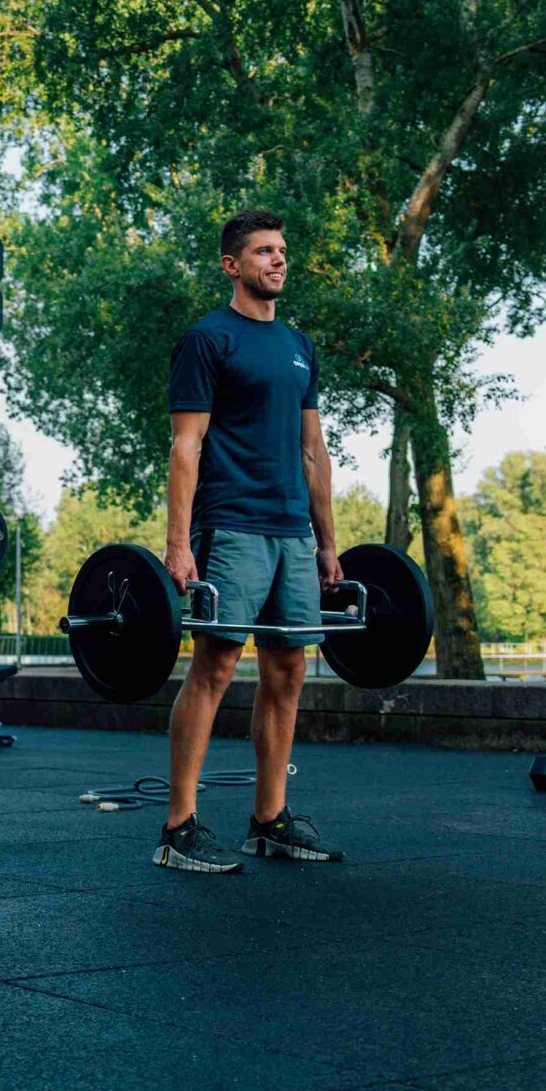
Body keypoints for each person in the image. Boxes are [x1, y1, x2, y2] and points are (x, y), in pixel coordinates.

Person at [154, 209, 346, 871]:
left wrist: (327, 543)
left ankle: (269, 819)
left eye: (282, 250)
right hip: (231, 523)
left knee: (288, 670)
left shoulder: (299, 346)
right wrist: (178, 543)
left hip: (292, 531)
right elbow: (186, 445)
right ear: (232, 266)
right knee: (214, 667)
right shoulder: (208, 339)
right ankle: (178, 826)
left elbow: (313, 451)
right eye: (264, 251)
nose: (278, 259)